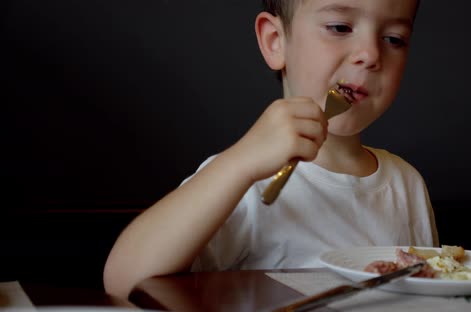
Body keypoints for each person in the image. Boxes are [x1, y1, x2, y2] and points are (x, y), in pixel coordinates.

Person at [103, 0, 438, 299]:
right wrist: (239, 164)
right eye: (340, 27)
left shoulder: (405, 183)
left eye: (393, 39)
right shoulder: (242, 179)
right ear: (276, 42)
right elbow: (122, 282)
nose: (371, 55)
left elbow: (433, 291)